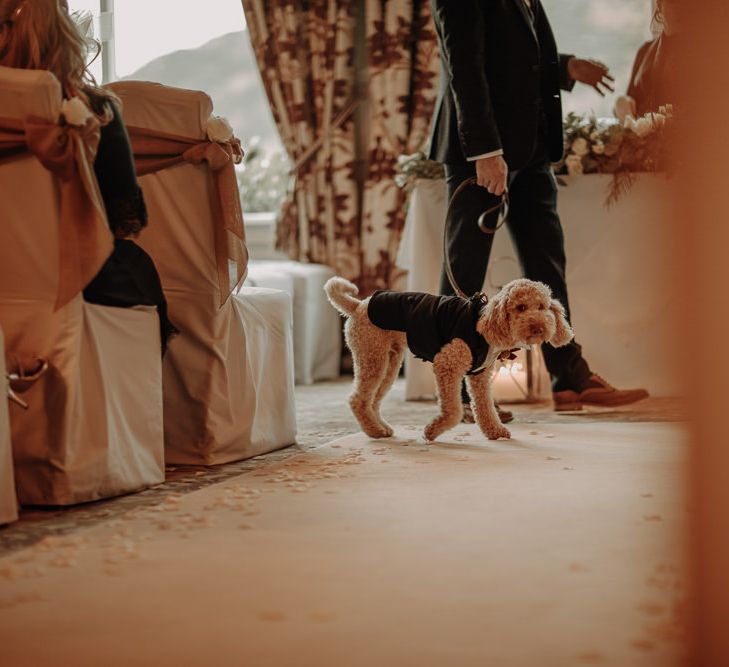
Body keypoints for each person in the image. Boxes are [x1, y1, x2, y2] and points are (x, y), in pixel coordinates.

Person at [429, 0, 649, 413]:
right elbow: (464, 65)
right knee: (465, 271)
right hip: (483, 150)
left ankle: (570, 378)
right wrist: (485, 151)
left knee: (548, 267)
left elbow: (517, 57)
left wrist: (567, 66)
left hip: (530, 150)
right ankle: (455, 384)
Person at [0, 0, 176, 353]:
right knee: (135, 264)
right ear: (63, 33)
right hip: (76, 279)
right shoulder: (97, 110)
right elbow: (125, 219)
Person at [614, 0, 682, 122]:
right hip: (641, 136)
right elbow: (628, 101)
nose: (679, 8)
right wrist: (620, 103)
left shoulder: (703, 55)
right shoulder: (645, 51)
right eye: (673, 2)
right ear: (660, 5)